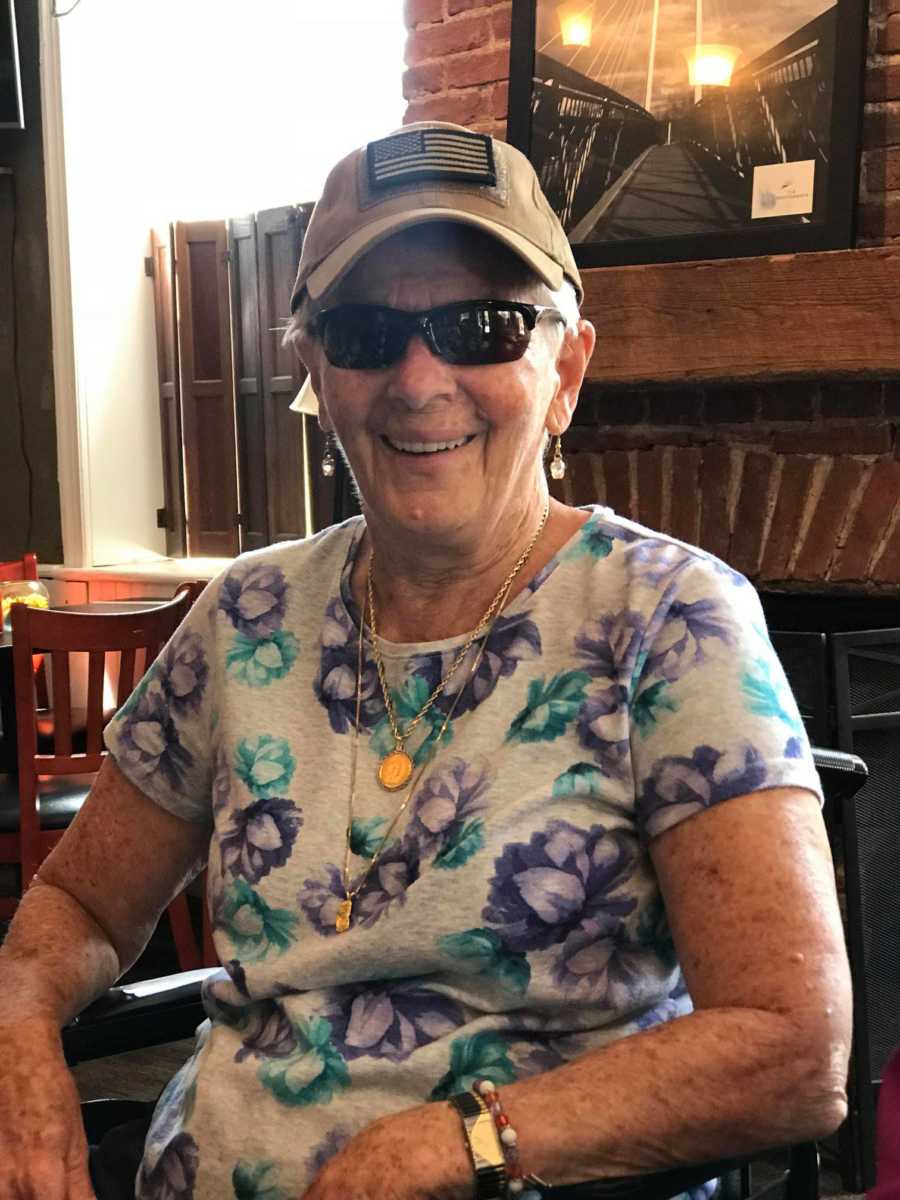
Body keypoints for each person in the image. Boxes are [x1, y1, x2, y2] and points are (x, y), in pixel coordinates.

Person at [0, 121, 851, 1200]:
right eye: (363, 332)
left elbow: (791, 1049)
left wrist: (451, 1144)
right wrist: (20, 1038)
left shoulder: (672, 619)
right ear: (313, 370)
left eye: (482, 326)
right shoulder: (247, 614)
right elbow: (76, 906)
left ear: (567, 371)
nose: (419, 377)